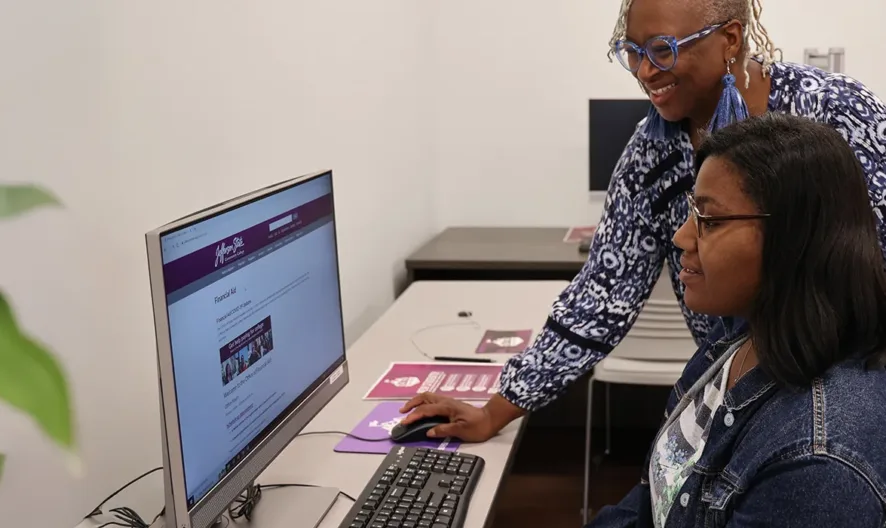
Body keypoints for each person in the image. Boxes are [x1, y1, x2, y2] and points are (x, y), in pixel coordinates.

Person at [398, 0, 886, 443]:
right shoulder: (650, 154)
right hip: (736, 385)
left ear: (730, 39)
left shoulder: (835, 114)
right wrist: (495, 412)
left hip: (839, 395)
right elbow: (603, 293)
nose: (645, 70)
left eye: (663, 50)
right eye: (630, 50)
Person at [593, 113, 886, 526]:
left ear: (794, 238)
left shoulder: (816, 465)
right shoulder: (739, 336)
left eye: (709, 220)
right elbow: (649, 502)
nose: (681, 237)